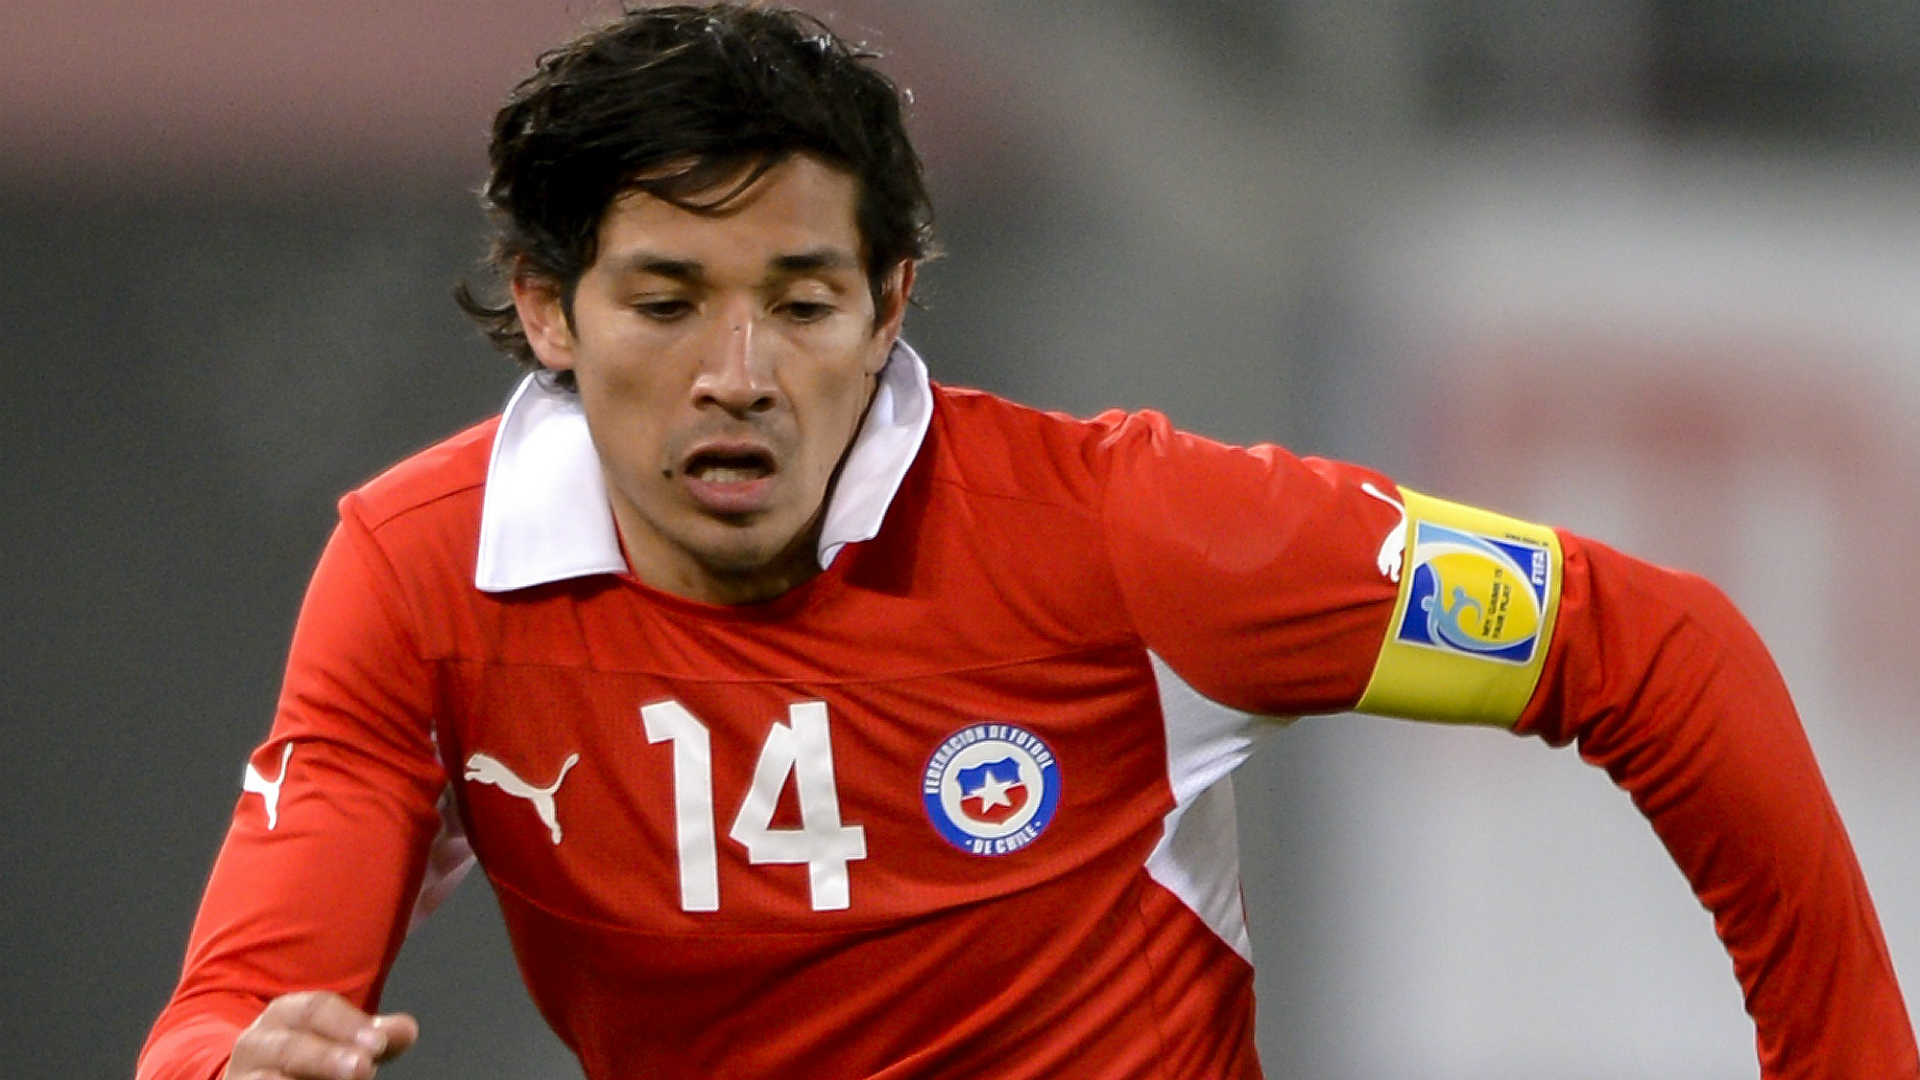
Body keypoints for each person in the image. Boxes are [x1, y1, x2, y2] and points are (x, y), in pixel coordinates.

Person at [140, 6, 1917, 1080]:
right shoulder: (427, 580)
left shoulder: (1120, 537)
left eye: (806, 302)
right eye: (666, 301)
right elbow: (239, 1006)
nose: (738, 378)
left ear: (894, 301)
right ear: (547, 310)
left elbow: (1654, 647)